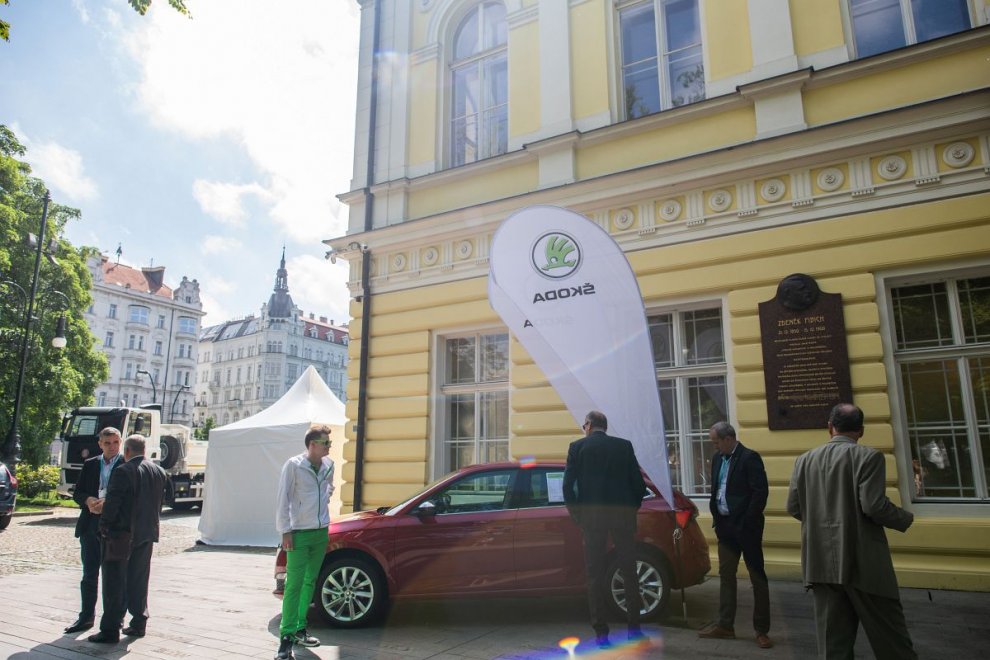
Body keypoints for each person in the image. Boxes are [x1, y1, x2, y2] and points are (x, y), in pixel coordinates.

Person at [787, 403, 917, 660]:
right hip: (863, 560)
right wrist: (904, 519)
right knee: (892, 641)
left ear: (829, 427)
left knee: (833, 645)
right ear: (861, 430)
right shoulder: (869, 457)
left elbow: (793, 507)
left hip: (821, 562)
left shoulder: (804, 460)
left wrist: (819, 521)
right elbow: (874, 506)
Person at [563, 410, 647, 648]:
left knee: (594, 575)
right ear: (605, 426)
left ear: (589, 425)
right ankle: (634, 630)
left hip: (592, 520)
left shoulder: (577, 448)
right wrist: (630, 509)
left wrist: (578, 516)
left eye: (584, 426)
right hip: (622, 518)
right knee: (629, 573)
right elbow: (639, 485)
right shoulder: (624, 446)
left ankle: (602, 634)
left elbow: (568, 487)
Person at [698, 421, 773, 649]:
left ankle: (761, 630)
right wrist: (718, 518)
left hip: (746, 528)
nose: (714, 446)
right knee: (726, 575)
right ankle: (725, 625)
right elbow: (717, 489)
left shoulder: (749, 458)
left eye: (716, 442)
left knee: (757, 577)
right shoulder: (718, 458)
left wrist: (746, 521)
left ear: (728, 439)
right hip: (725, 527)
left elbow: (760, 493)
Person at [88, 434, 167, 644]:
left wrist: (103, 527)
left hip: (121, 534)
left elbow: (113, 504)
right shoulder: (158, 471)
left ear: (127, 451)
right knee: (139, 579)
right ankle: (139, 622)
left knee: (114, 582)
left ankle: (110, 628)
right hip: (147, 533)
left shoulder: (123, 471)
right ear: (144, 450)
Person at [274, 424, 335, 660]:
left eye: (329, 442)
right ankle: (286, 638)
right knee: (294, 585)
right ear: (312, 445)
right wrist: (285, 531)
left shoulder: (329, 465)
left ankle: (300, 628)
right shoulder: (294, 465)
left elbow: (328, 490)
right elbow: (283, 498)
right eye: (325, 443)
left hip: (321, 532)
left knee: (310, 582)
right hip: (299, 532)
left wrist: (325, 498)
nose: (329, 446)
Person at [64, 427, 123, 634]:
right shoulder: (91, 464)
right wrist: (88, 500)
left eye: (116, 442)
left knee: (114, 577)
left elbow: (129, 497)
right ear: (100, 444)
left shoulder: (125, 464)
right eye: (107, 443)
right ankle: (86, 617)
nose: (112, 447)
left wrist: (108, 504)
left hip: (114, 529)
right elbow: (78, 492)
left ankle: (114, 619)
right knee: (89, 574)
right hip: (90, 526)